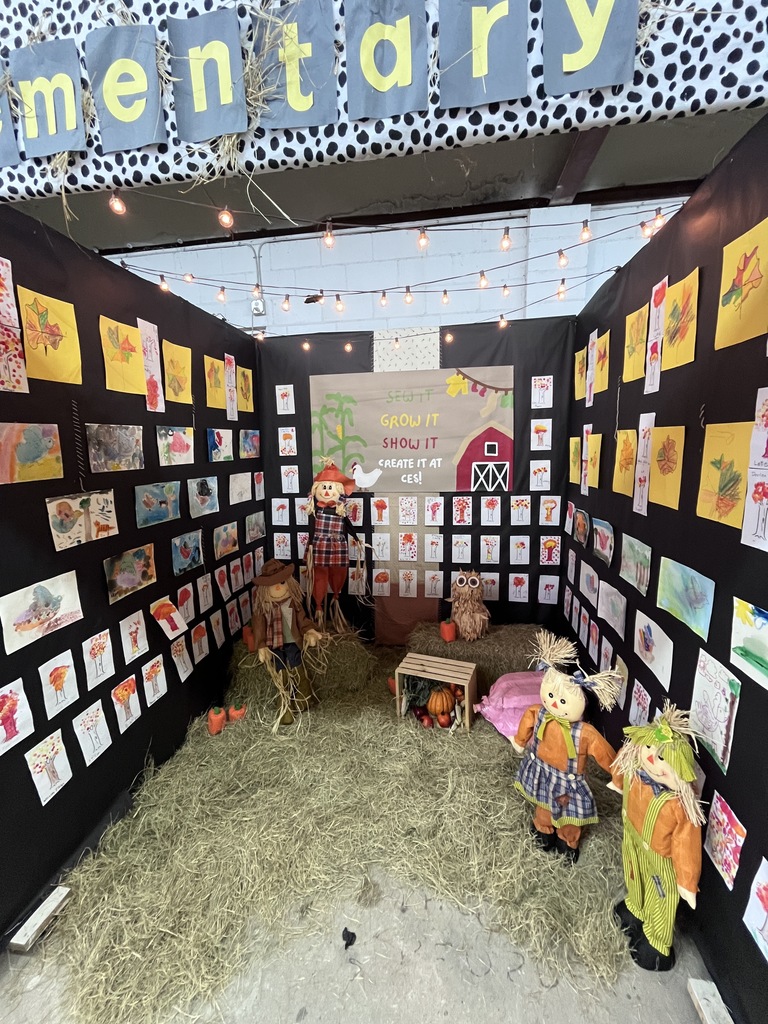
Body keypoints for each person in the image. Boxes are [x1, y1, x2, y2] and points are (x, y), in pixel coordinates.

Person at [609, 702, 704, 971]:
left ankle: (657, 942)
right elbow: (621, 765)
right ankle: (635, 908)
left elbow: (687, 844)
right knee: (633, 875)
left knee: (660, 897)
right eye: (649, 748)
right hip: (633, 842)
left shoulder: (678, 806)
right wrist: (616, 782)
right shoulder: (635, 772)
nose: (651, 758)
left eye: (662, 757)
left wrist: (686, 881)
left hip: (660, 861)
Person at [511, 630, 621, 864]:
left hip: (567, 782)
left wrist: (617, 775)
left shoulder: (584, 733)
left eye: (562, 701)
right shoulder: (539, 713)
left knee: (569, 816)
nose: (553, 703)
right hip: (542, 771)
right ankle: (543, 830)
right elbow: (526, 723)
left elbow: (604, 753)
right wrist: (520, 741)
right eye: (551, 696)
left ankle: (567, 842)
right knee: (544, 807)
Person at [251, 559, 323, 724]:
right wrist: (261, 645)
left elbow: (302, 620)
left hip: (292, 641)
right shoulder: (263, 608)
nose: (277, 587)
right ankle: (284, 704)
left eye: (282, 582)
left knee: (296, 663)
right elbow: (259, 627)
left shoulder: (293, 603)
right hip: (273, 644)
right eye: (272, 584)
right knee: (280, 670)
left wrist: (310, 631)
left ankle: (304, 696)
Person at [305, 459, 363, 628]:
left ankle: (336, 600)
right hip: (320, 544)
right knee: (320, 574)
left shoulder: (340, 510)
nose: (327, 491)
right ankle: (318, 607)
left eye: (330, 487)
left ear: (338, 490)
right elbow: (311, 529)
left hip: (337, 545)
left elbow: (347, 525)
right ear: (317, 490)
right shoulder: (316, 510)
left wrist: (357, 539)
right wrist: (309, 546)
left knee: (338, 573)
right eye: (324, 487)